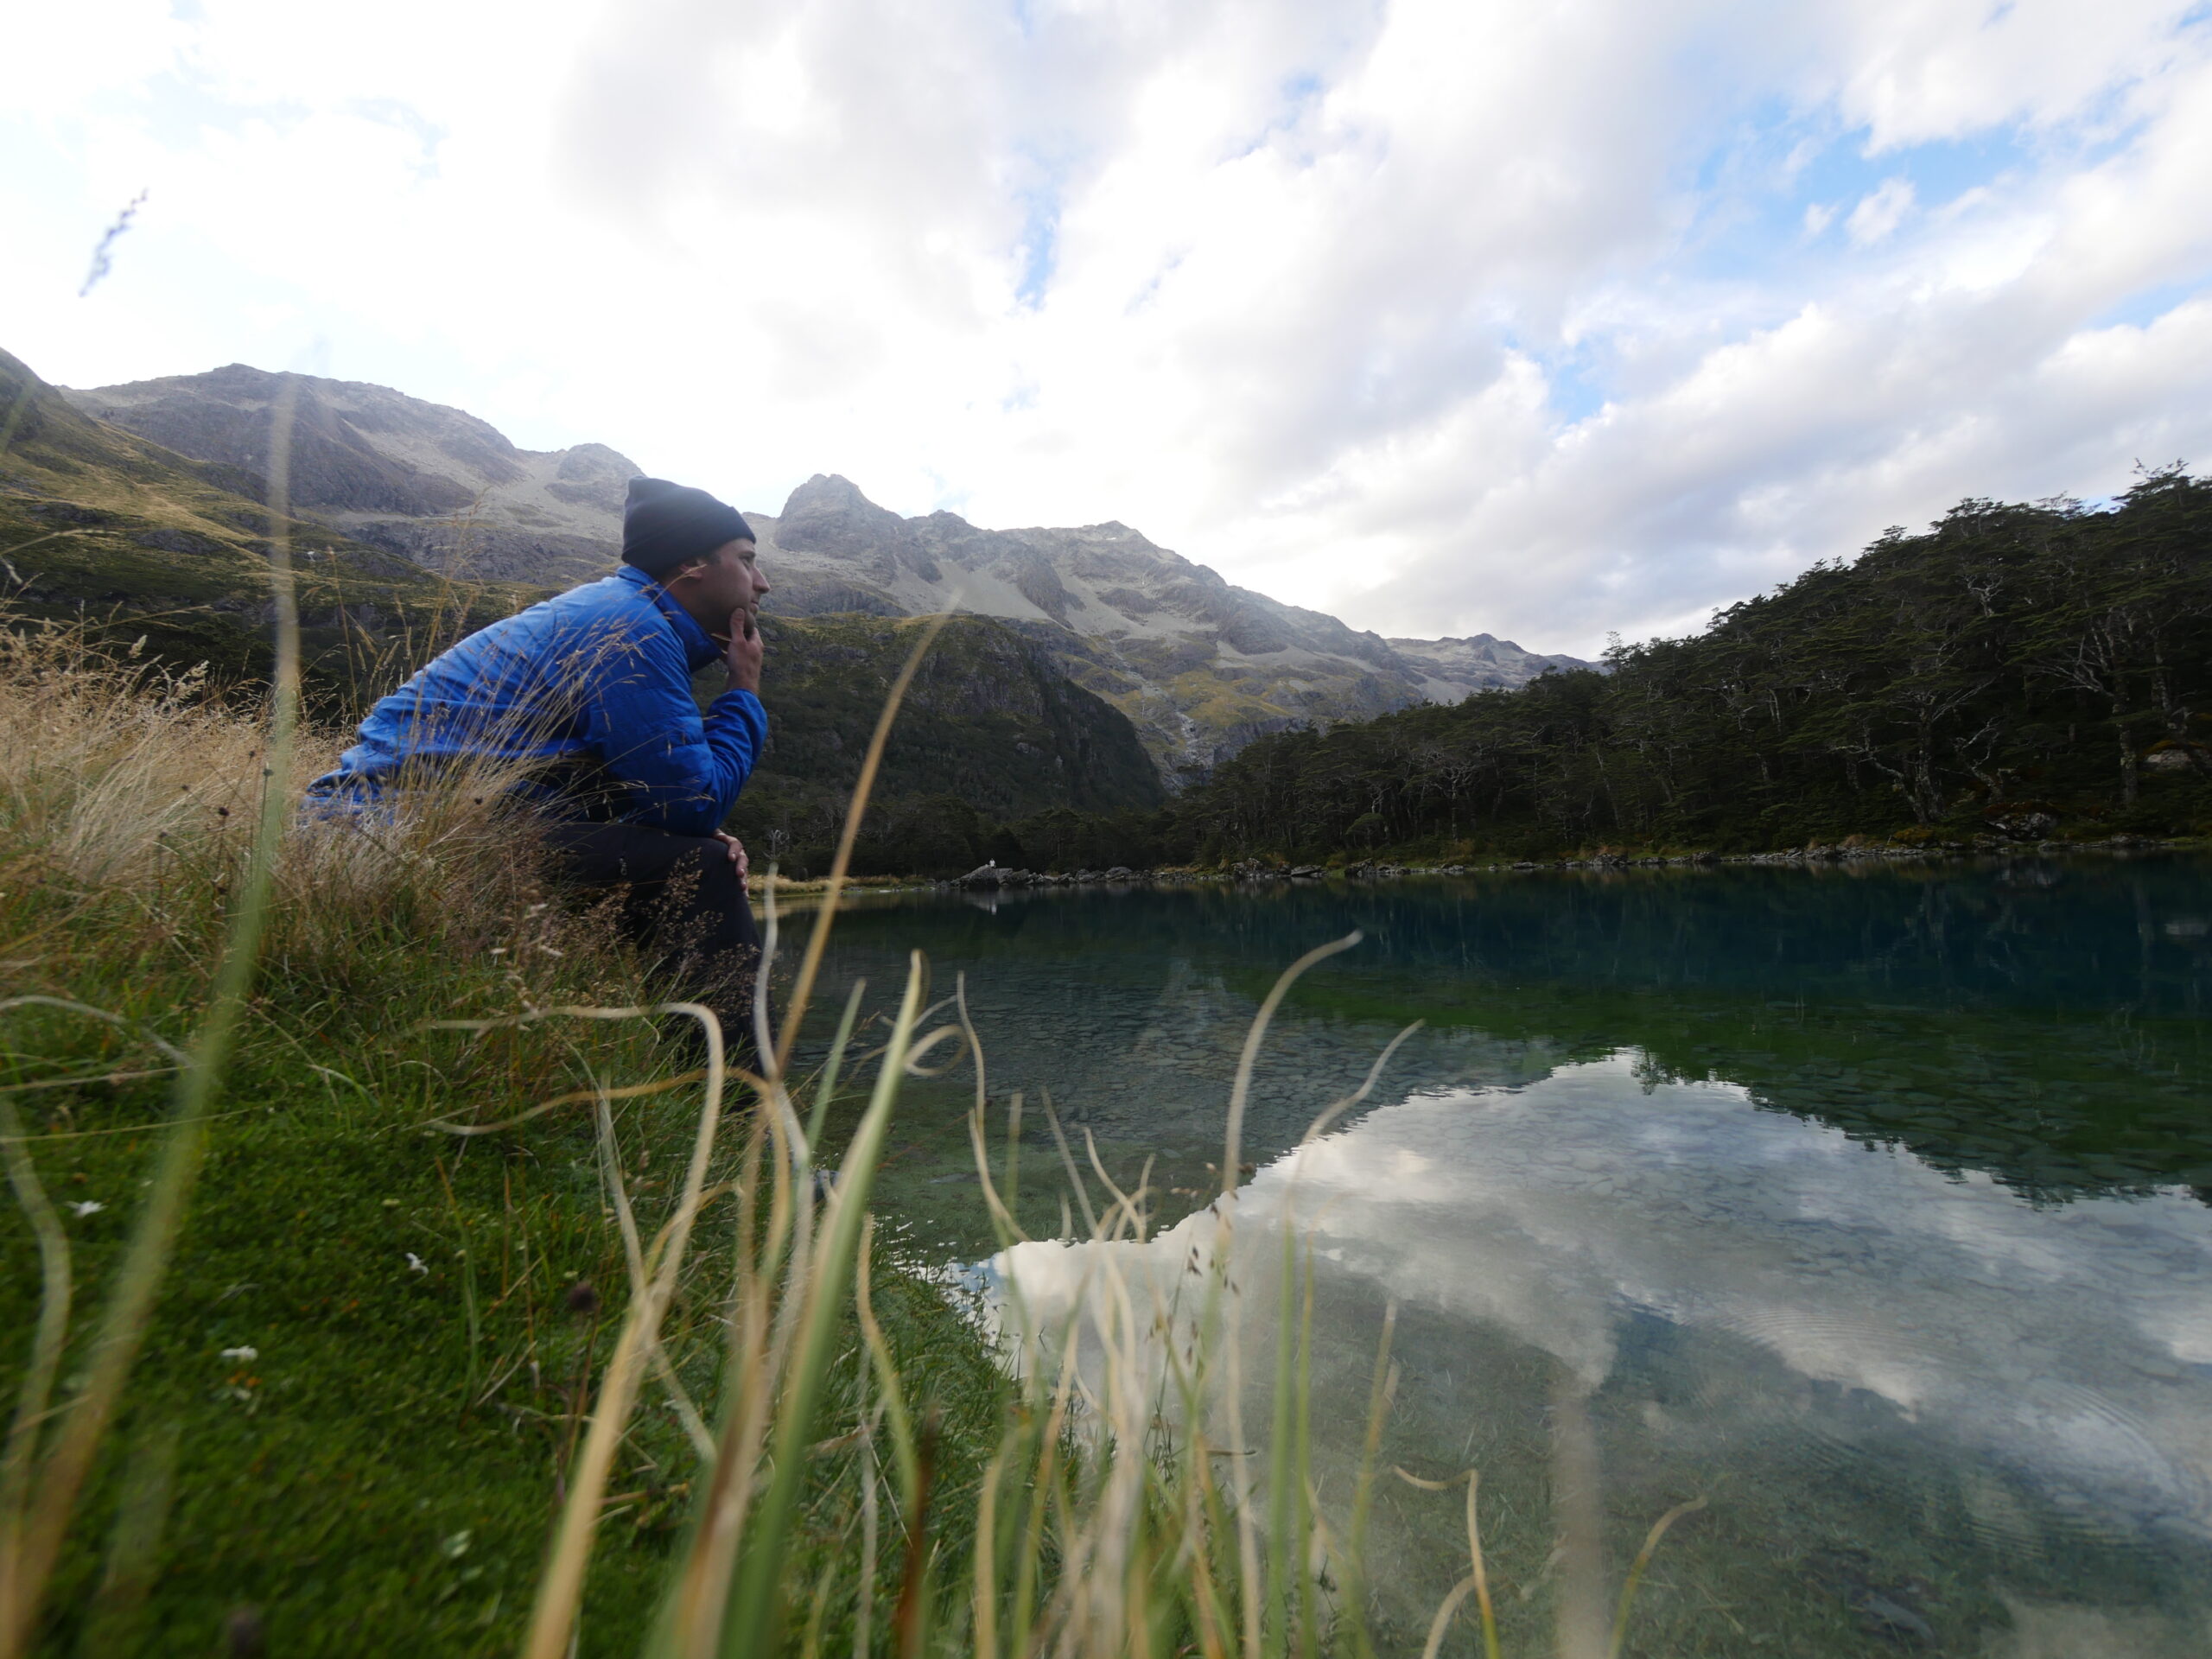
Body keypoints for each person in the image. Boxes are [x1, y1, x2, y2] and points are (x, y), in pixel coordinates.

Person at [308, 475, 773, 1046]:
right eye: (748, 560)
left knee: (683, 855)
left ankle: (654, 1074)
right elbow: (692, 804)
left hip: (395, 823)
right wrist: (743, 688)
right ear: (694, 562)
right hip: (388, 834)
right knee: (702, 868)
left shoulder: (619, 612)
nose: (762, 583)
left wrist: (683, 819)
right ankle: (740, 1111)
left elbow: (622, 787)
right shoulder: (631, 627)